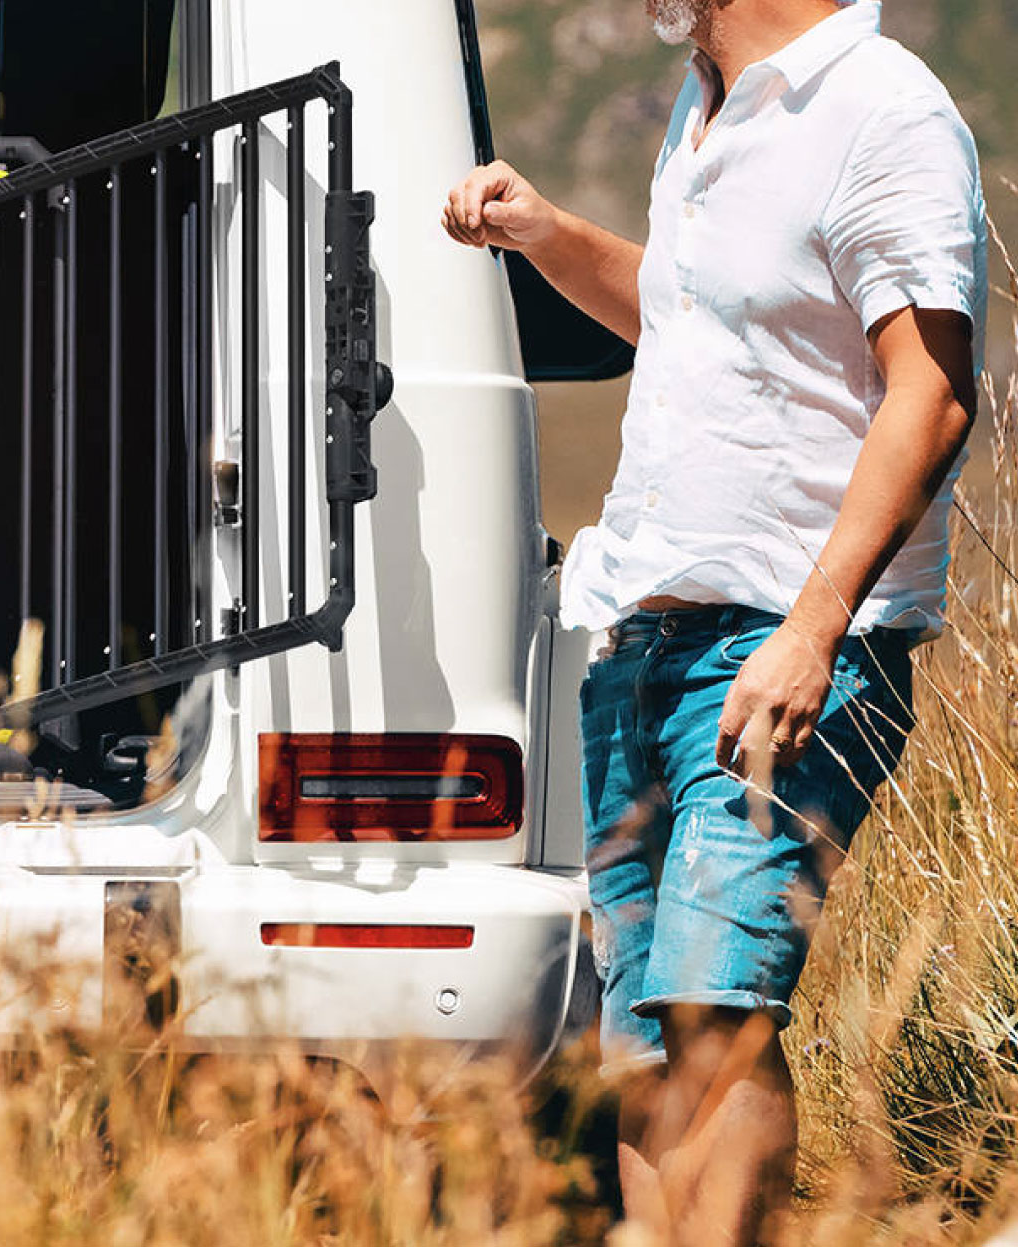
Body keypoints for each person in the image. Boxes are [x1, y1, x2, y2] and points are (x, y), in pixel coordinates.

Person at [442, 0, 987, 1242]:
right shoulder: (706, 105)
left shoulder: (879, 108)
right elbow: (689, 322)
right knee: (644, 1041)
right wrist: (547, 233)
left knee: (713, 1012)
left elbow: (934, 390)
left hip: (784, 646)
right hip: (641, 639)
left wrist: (816, 626)